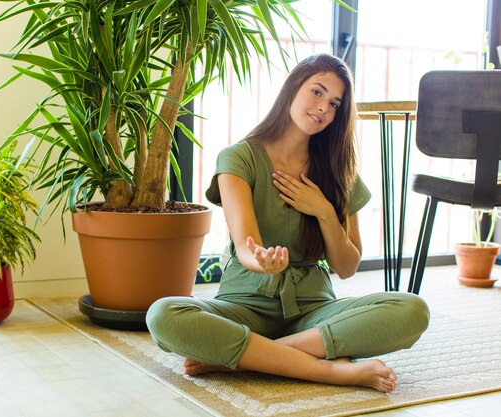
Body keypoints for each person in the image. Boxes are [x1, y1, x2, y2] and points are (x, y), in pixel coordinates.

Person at [146, 53, 429, 393]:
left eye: (335, 103)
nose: (324, 107)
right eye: (317, 92)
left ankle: (246, 358)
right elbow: (245, 245)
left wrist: (323, 211)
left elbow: (348, 265)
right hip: (243, 306)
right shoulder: (239, 157)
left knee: (412, 309)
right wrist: (261, 261)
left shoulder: (341, 171)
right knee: (163, 314)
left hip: (313, 311)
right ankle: (330, 371)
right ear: (293, 88)